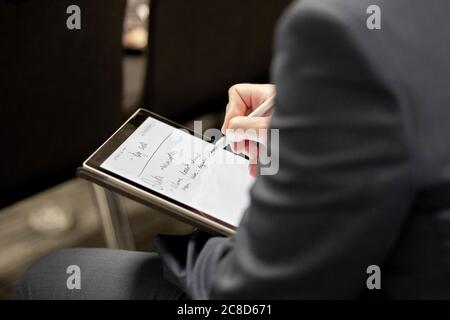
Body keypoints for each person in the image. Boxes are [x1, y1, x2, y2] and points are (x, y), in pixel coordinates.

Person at [14, 0, 450, 299]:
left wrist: (212, 238)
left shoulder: (344, 28)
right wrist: (319, 110)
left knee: (50, 276)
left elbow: (257, 293)